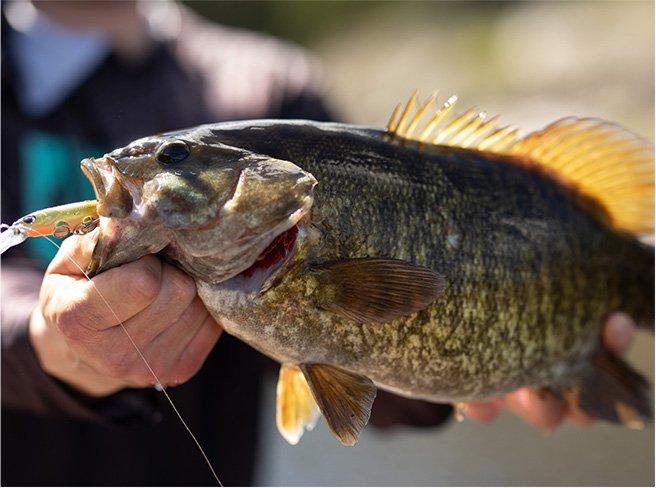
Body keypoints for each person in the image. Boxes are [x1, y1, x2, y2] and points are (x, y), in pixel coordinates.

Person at [1, 1, 638, 485]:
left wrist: (474, 375)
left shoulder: (264, 81)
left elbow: (363, 356)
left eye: (174, 158)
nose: (150, 173)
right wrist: (44, 343)